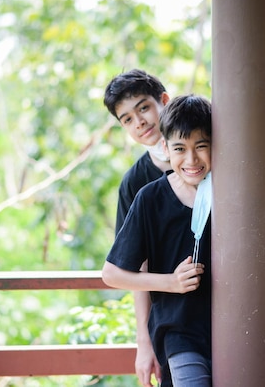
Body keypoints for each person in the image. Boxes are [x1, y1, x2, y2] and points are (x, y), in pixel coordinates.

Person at [102, 94, 213, 387]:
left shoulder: (231, 190)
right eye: (180, 149)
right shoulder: (149, 196)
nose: (191, 159)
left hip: (236, 329)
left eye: (201, 146)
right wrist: (170, 283)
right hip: (181, 333)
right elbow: (112, 273)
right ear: (166, 147)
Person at [104, 69, 172, 386]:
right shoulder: (134, 184)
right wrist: (144, 343)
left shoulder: (208, 154)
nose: (139, 122)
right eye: (127, 119)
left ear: (164, 102)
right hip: (173, 318)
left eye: (143, 108)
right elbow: (135, 267)